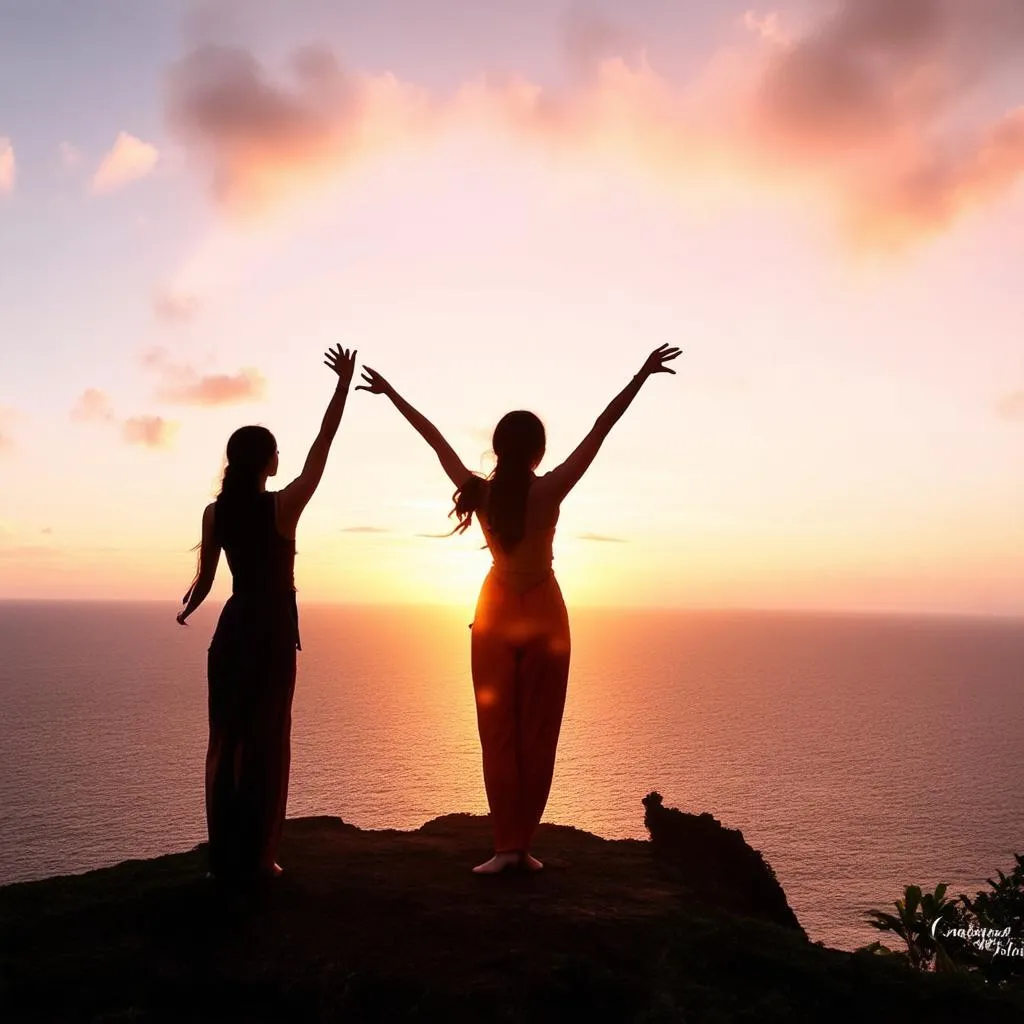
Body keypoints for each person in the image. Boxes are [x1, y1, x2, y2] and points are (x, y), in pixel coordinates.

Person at [356, 344, 681, 872]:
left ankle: (505, 846)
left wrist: (392, 393)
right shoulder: (550, 490)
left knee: (498, 733)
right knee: (539, 732)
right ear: (537, 451)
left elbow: (433, 438)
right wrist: (641, 375)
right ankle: (522, 848)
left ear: (498, 448)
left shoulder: (478, 492)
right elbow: (601, 429)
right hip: (545, 612)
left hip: (495, 613)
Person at [177, 344, 357, 880]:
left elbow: (208, 579)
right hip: (273, 628)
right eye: (276, 453)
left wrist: (190, 606)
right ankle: (259, 858)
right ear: (268, 460)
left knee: (224, 741)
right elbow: (322, 450)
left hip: (233, 628)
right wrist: (341, 388)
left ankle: (221, 860)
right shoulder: (282, 505)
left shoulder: (217, 510)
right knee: (268, 740)